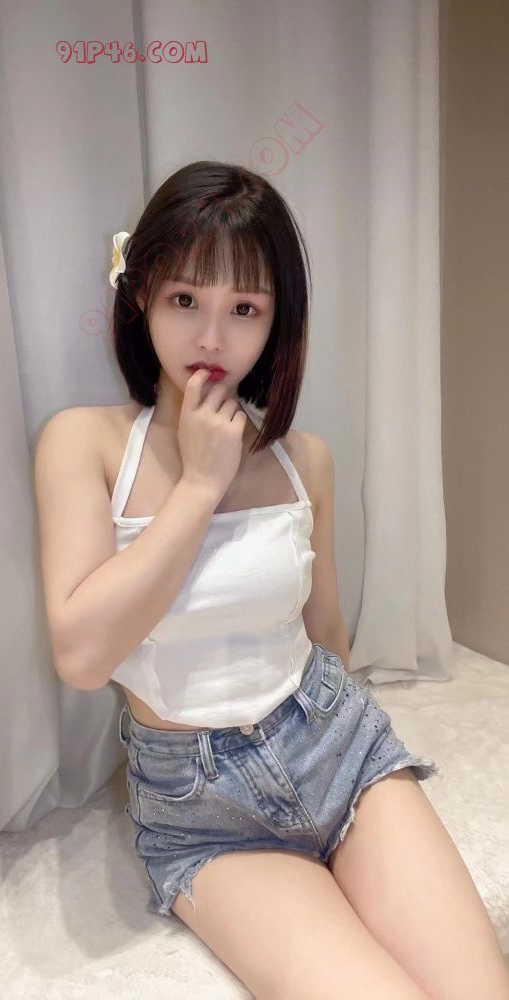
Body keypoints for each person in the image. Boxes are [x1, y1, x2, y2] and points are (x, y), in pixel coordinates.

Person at [34, 161, 509, 1000]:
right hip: (201, 807)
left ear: (275, 322)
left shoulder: (304, 460)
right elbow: (80, 656)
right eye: (186, 299)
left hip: (335, 748)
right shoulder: (85, 443)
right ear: (140, 295)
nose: (212, 338)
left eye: (244, 309)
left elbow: (325, 634)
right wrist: (198, 487)